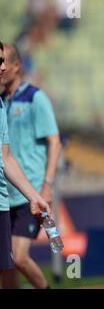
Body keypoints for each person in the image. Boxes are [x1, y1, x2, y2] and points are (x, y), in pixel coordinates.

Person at [0, 43, 61, 289]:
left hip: (29, 188)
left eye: (4, 63)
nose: (2, 68)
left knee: (20, 256)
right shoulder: (3, 100)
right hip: (8, 191)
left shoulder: (36, 97)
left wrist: (46, 186)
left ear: (17, 66)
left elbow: (54, 141)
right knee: (8, 264)